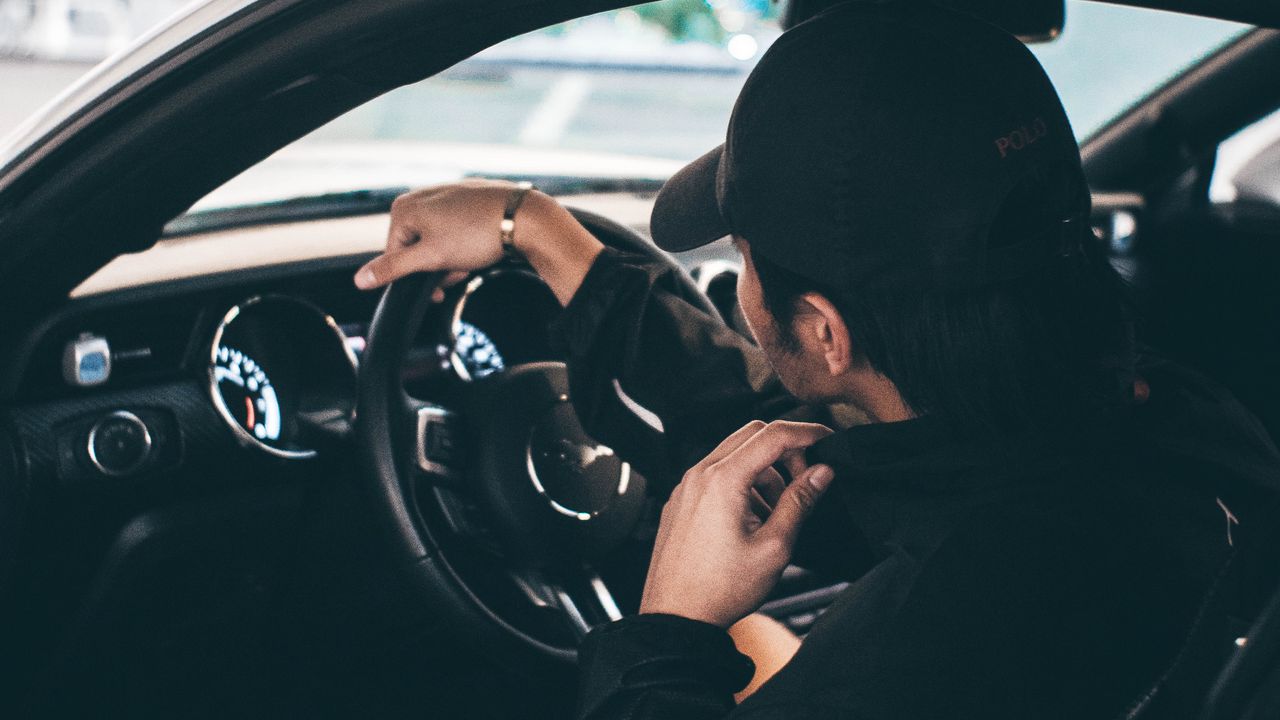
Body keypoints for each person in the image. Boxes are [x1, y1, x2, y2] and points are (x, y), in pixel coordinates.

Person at [355, 2, 1280, 717]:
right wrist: (540, 232)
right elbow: (811, 452)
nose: (741, 287)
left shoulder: (922, 655)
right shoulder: (1167, 425)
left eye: (745, 262)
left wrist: (670, 633)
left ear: (827, 336)